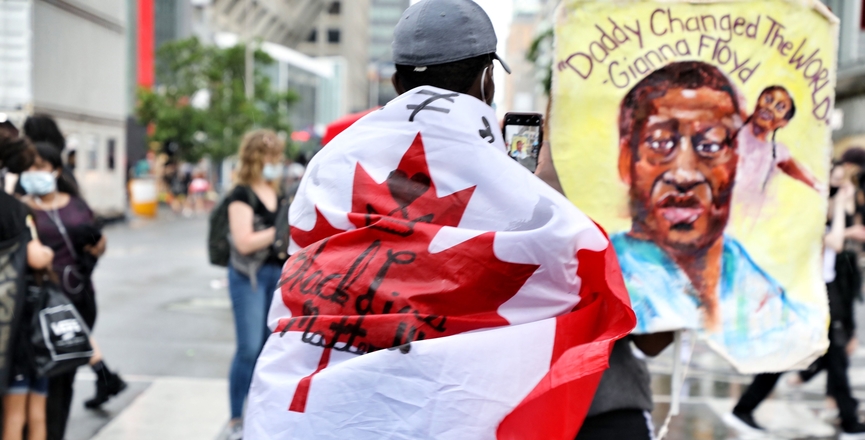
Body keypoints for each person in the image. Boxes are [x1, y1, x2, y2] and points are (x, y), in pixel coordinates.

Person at [610, 61, 818, 367]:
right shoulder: (601, 278)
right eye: (659, 143)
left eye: (710, 144)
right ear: (627, 159)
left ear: (736, 162)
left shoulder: (766, 299)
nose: (684, 173)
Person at [724, 164, 865, 438]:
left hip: (822, 294)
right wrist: (841, 208)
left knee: (822, 355)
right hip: (806, 296)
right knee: (824, 355)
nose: (840, 190)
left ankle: (746, 408)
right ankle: (848, 420)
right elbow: (835, 242)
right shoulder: (811, 213)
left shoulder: (834, 210)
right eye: (834, 183)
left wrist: (844, 204)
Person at [19, 142, 126, 440]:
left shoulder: (77, 206)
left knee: (63, 378)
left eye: (39, 166)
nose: (32, 172)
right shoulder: (20, 207)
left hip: (78, 299)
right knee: (38, 379)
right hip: (37, 304)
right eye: (28, 166)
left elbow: (99, 244)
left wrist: (92, 248)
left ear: (55, 169)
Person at [225, 130, 287, 439]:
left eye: (277, 156)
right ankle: (236, 418)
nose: (274, 162)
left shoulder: (279, 193)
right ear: (254, 158)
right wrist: (278, 232)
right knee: (248, 348)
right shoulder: (241, 194)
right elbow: (244, 242)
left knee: (268, 348)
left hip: (276, 276)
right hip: (247, 276)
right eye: (268, 155)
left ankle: (259, 415)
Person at [0, 136, 54, 440]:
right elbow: (35, 256)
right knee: (21, 414)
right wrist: (47, 255)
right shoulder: (15, 210)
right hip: (11, 321)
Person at [733, 86, 822, 217]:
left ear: (784, 122)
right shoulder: (733, 123)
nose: (769, 108)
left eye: (780, 107)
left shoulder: (775, 153)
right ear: (758, 100)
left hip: (742, 218)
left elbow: (811, 181)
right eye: (768, 99)